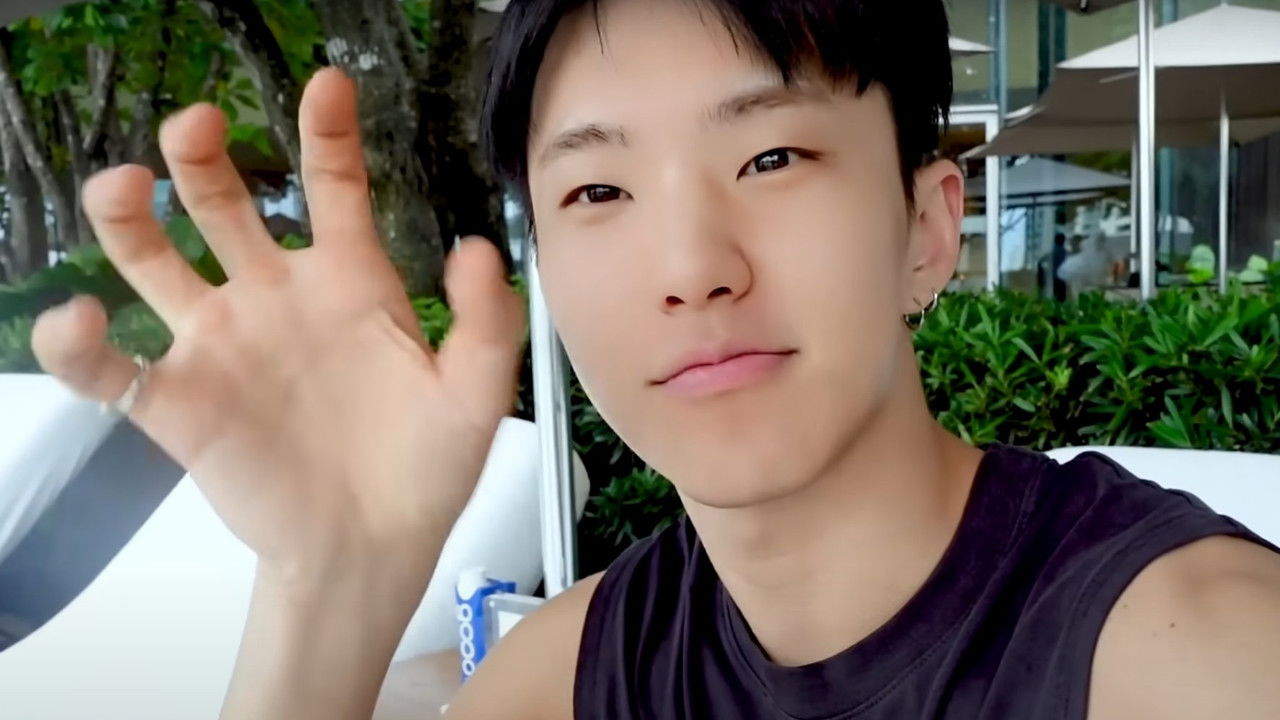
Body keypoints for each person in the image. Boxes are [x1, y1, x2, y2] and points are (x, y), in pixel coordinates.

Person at [28, 1, 1280, 718]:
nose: (689, 267)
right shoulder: (567, 678)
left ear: (926, 227)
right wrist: (328, 594)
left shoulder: (1192, 655)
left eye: (772, 158)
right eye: (598, 190)